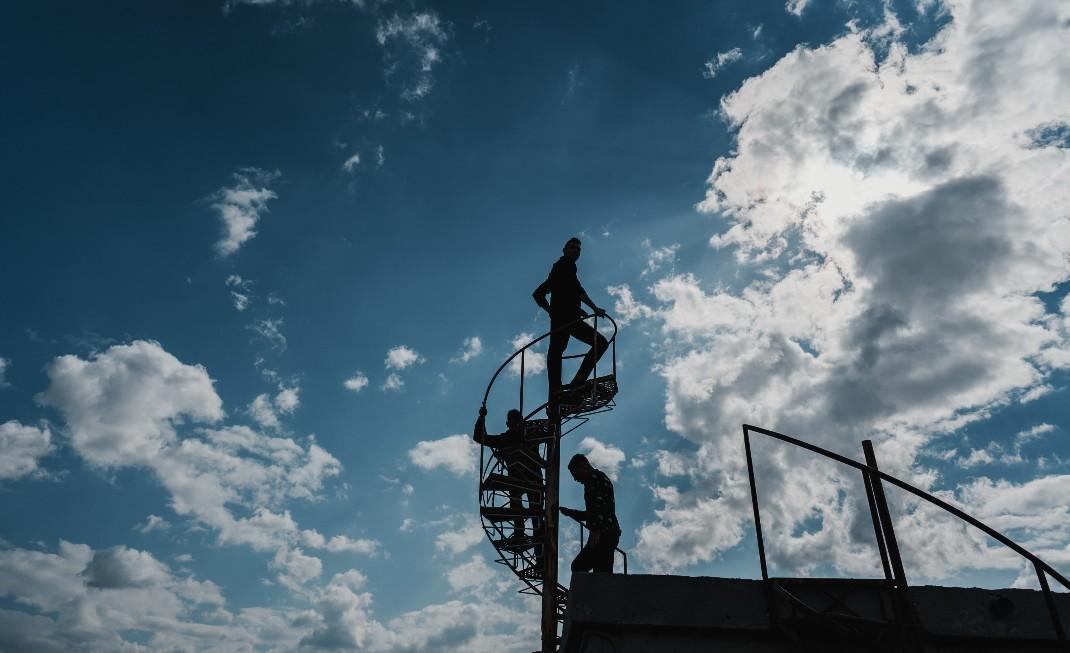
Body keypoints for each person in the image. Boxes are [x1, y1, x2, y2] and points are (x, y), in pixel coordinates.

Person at [532, 237, 609, 401]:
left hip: (565, 319)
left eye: (578, 249)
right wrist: (594, 308)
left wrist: (557, 310)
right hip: (568, 320)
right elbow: (577, 289)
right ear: (564, 250)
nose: (576, 251)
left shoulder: (557, 271)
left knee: (555, 352)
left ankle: (555, 392)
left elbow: (542, 293)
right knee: (600, 342)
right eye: (573, 247)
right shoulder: (565, 265)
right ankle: (577, 379)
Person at [474, 406, 544, 542]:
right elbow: (480, 437)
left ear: (522, 422)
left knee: (535, 512)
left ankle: (535, 539)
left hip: (531, 480)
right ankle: (520, 535)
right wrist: (481, 418)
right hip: (522, 480)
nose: (515, 427)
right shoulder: (508, 438)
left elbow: (550, 429)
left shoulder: (531, 434)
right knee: (522, 507)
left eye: (517, 423)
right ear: (508, 424)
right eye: (513, 424)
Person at [560, 454, 621, 573]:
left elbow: (598, 511)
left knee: (578, 567)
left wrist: (595, 533)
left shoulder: (594, 480)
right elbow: (595, 511)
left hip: (604, 534)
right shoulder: (600, 478)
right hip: (610, 533)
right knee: (602, 575)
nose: (575, 479)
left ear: (583, 466)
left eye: (575, 474)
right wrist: (570, 513)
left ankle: (584, 592)